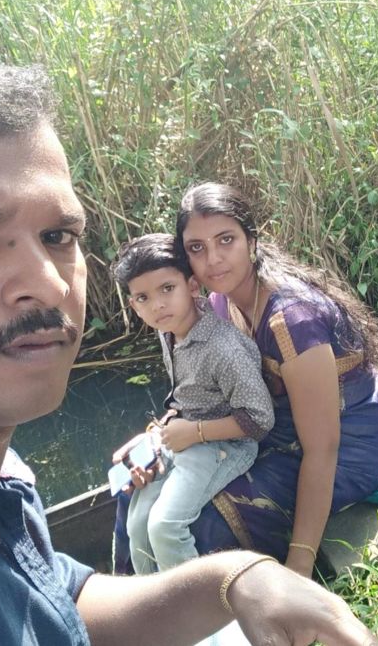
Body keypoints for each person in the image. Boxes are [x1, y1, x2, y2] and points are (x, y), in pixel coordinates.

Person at [0, 58, 378, 646]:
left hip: (308, 448)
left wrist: (243, 577)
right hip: (254, 438)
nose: (48, 284)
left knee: (193, 519)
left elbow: (49, 597)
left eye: (58, 236)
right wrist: (163, 435)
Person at [115, 182, 378, 580]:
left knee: (200, 523)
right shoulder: (219, 301)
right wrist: (156, 438)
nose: (213, 259)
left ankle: (205, 612)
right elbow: (208, 394)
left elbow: (323, 449)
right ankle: (144, 606)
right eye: (196, 248)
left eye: (226, 240)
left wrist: (300, 564)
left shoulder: (293, 323)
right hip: (264, 434)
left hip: (341, 453)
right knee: (134, 493)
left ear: (252, 240)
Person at [111, 233, 274, 574]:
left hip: (227, 444)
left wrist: (195, 432)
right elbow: (185, 398)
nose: (157, 305)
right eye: (144, 297)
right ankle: (152, 599)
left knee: (165, 526)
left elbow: (260, 420)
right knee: (137, 525)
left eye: (167, 289)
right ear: (133, 305)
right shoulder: (168, 330)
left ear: (192, 286)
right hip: (183, 437)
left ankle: (197, 605)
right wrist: (155, 437)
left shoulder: (222, 348)